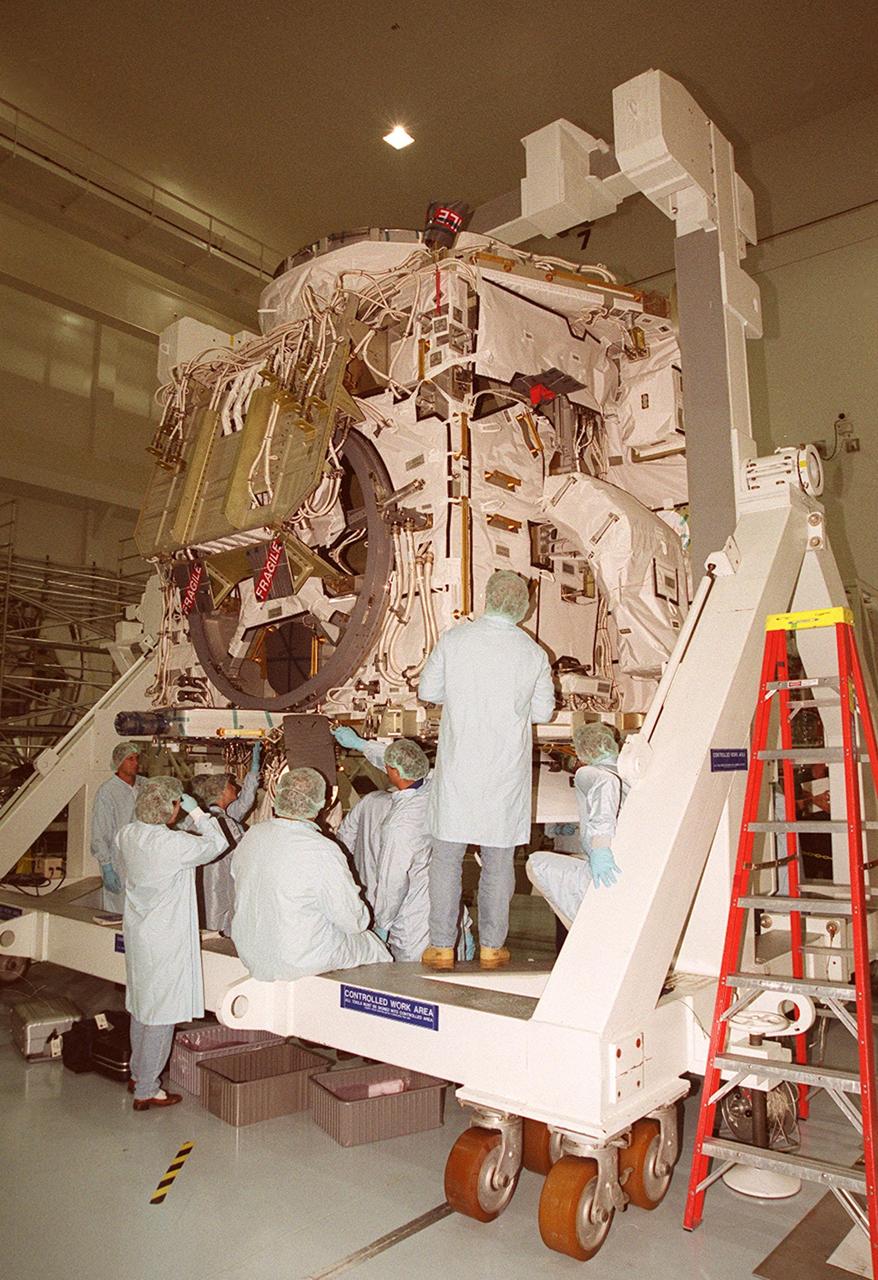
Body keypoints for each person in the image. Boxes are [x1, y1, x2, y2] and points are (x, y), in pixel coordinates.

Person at [418, 569, 555, 970]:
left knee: (445, 859)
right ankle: (492, 948)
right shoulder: (532, 654)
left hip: (459, 770)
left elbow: (428, 692)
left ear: (487, 597)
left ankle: (442, 947)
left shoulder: (455, 639)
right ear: (524, 606)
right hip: (504, 775)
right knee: (498, 863)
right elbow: (544, 711)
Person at [114, 776, 228, 1110]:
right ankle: (147, 1089)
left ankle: (138, 1073)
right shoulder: (172, 845)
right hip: (165, 938)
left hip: (140, 931)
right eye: (177, 802)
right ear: (169, 809)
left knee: (142, 1007)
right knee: (162, 1014)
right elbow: (218, 843)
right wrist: (199, 815)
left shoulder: (128, 834)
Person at [231, 767, 391, 981]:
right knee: (375, 948)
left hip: (251, 952)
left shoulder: (252, 835)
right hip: (300, 958)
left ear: (279, 796)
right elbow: (352, 921)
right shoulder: (322, 849)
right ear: (321, 804)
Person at [334, 731, 473, 962]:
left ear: (393, 772)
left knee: (418, 989)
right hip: (449, 914)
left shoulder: (400, 825)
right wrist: (361, 744)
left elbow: (392, 882)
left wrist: (382, 923)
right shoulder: (434, 787)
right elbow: (396, 763)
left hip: (414, 928)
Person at [527, 721, 628, 928]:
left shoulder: (588, 773)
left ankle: (577, 929)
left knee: (536, 864)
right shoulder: (630, 772)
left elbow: (606, 783)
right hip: (627, 866)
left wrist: (600, 848)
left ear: (581, 752)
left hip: (602, 868)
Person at [190, 742, 261, 933]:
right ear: (222, 792)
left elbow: (245, 802)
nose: (235, 789)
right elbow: (249, 854)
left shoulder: (199, 820)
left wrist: (254, 771)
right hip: (221, 889)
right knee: (221, 931)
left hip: (200, 891)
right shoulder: (226, 822)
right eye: (231, 786)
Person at [91, 741, 143, 912]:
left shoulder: (145, 784)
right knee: (120, 911)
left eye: (136, 759)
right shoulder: (107, 792)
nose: (135, 763)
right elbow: (100, 832)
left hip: (143, 855)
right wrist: (106, 866)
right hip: (118, 861)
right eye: (130, 759)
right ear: (119, 762)